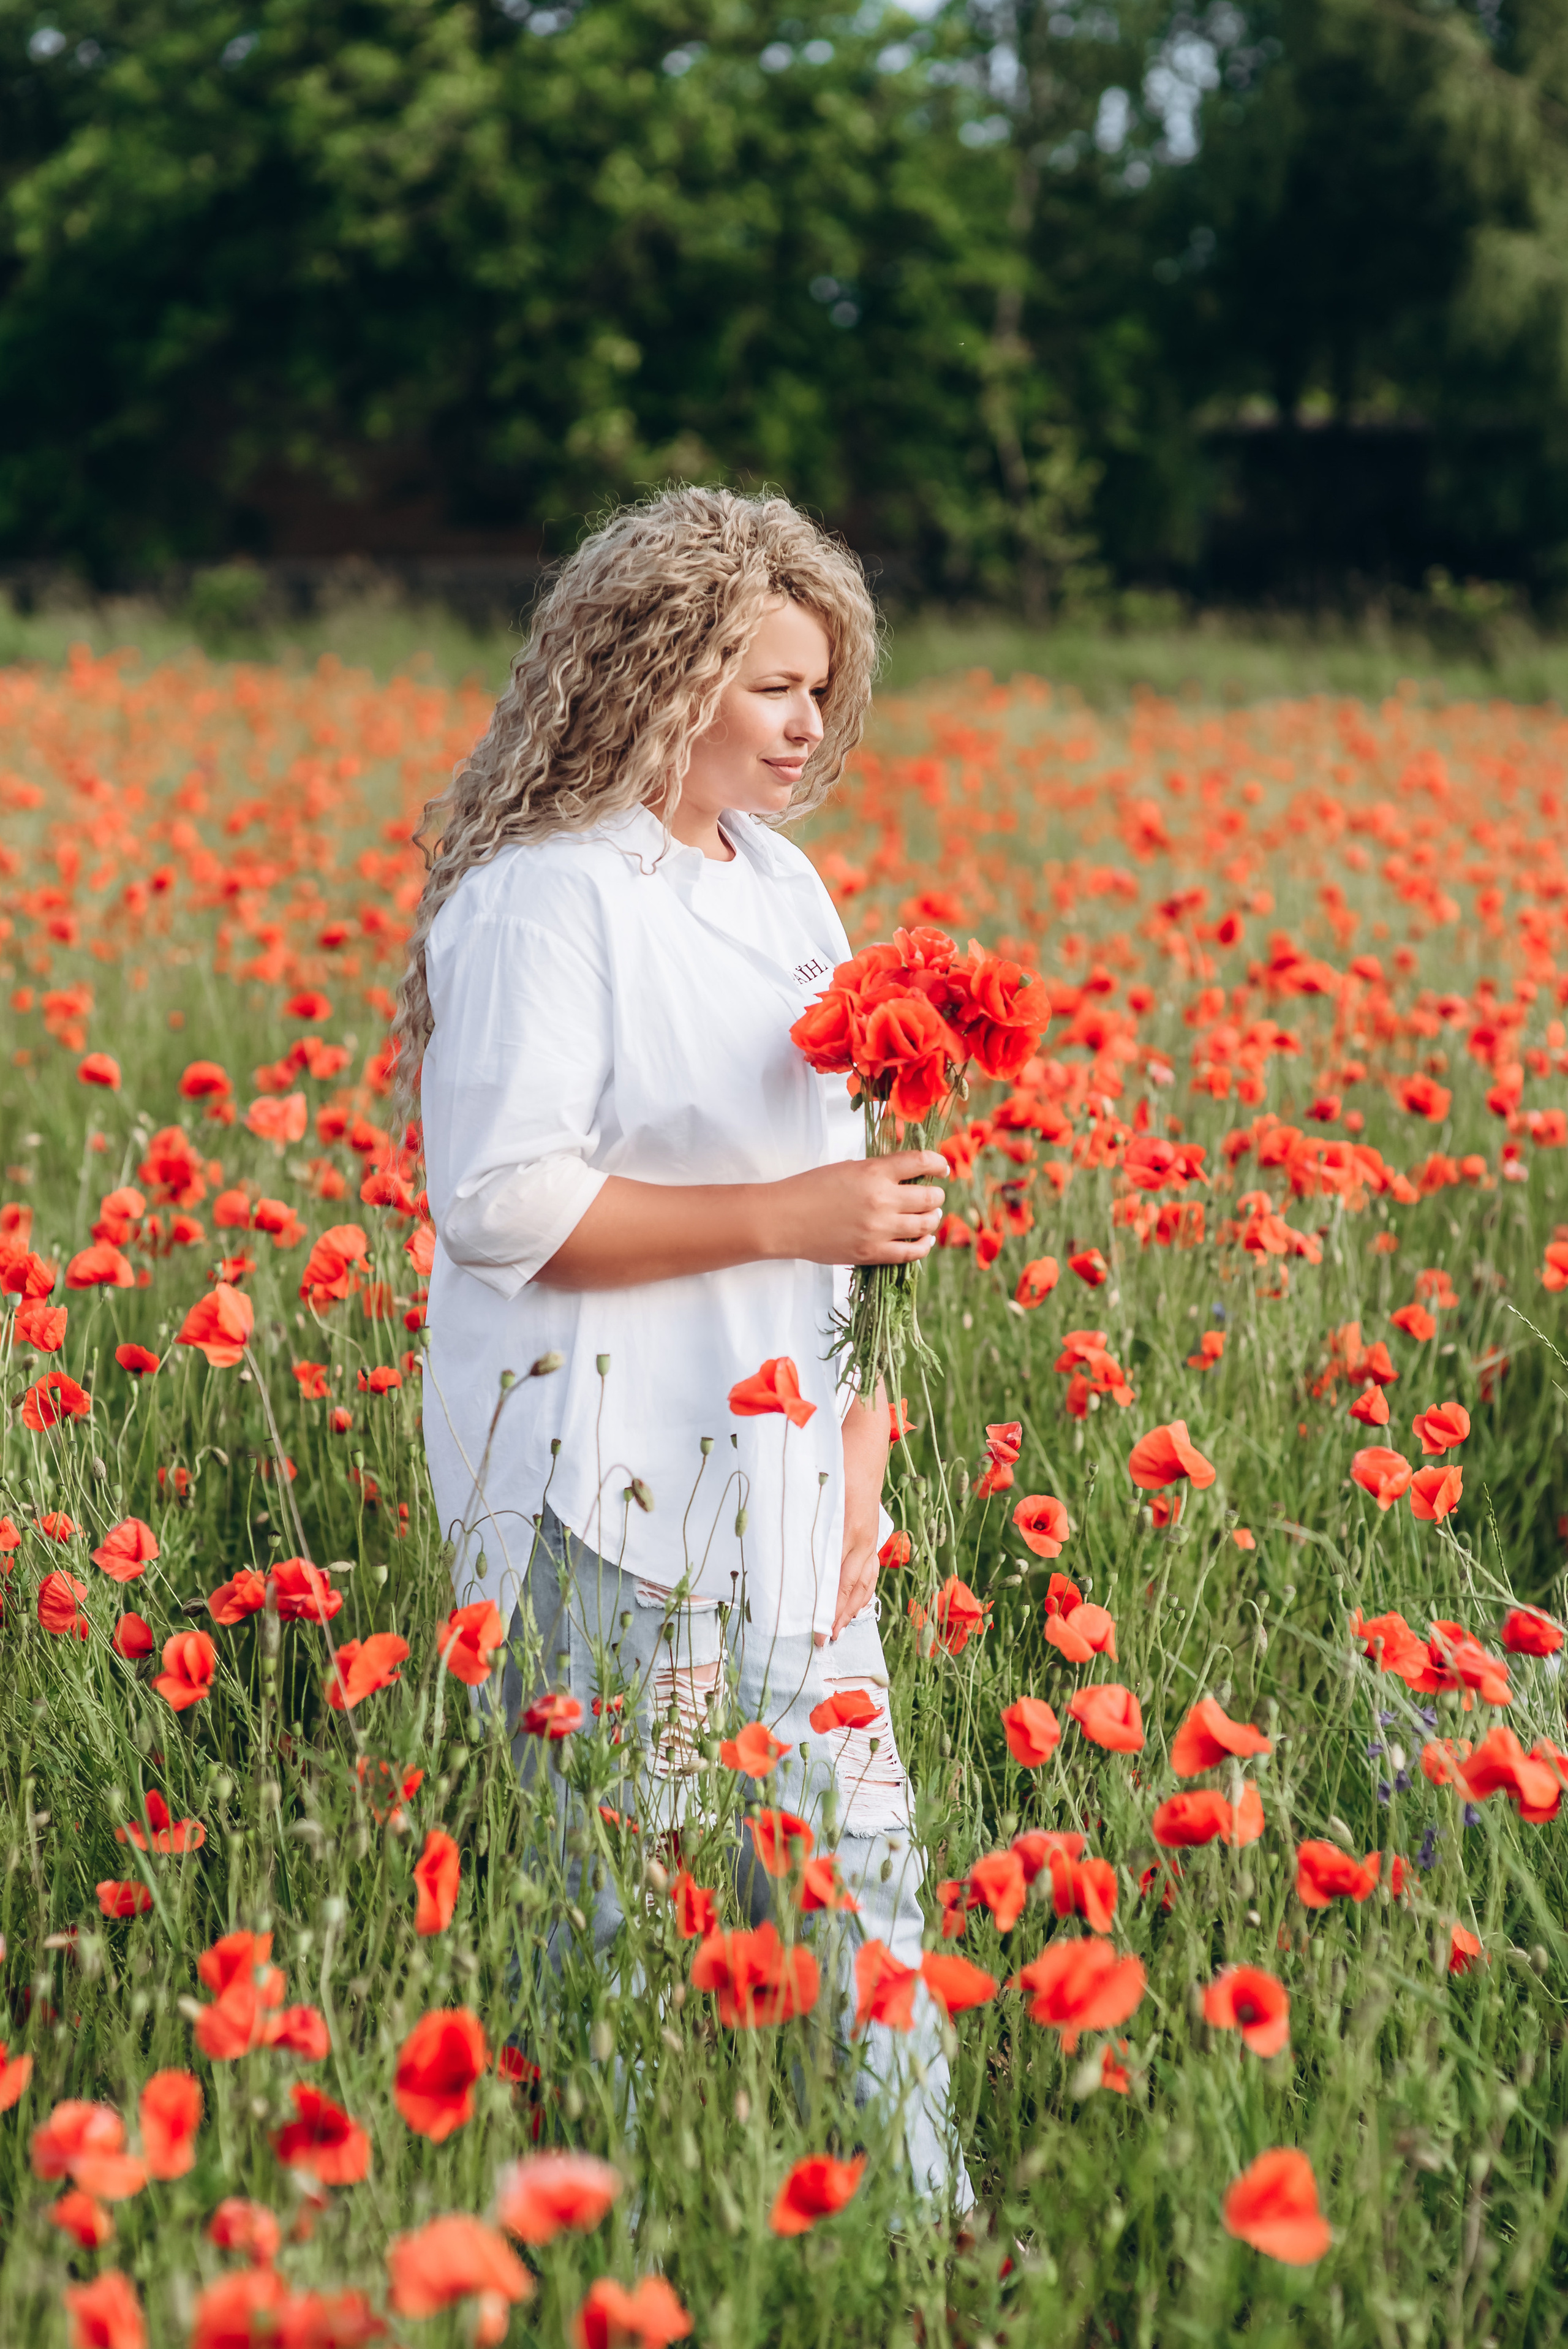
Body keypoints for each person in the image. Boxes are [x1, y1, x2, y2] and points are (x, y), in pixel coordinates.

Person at [395, 485, 971, 2209]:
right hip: (611, 1497)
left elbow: (847, 1189)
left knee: (862, 1864)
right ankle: (642, 2243)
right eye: (775, 687)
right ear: (662, 678)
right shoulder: (544, 902)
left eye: (822, 687)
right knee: (640, 1896)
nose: (811, 726)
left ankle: (928, 2241)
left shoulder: (788, 887)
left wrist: (868, 1431)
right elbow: (502, 1201)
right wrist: (792, 1216)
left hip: (793, 1482)